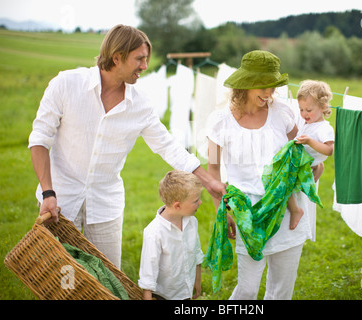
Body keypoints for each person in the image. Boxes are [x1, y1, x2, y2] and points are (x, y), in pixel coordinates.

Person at [28, 24, 226, 268]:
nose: (144, 66)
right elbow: (39, 140)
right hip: (59, 201)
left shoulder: (140, 104)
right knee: (59, 278)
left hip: (105, 206)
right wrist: (48, 192)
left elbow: (168, 146)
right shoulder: (66, 84)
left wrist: (210, 182)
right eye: (139, 59)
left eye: (146, 59)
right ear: (117, 57)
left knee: (109, 279)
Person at [206, 50, 323, 300]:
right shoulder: (220, 121)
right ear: (245, 84)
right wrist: (221, 209)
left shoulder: (282, 112)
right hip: (247, 214)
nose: (269, 94)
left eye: (273, 87)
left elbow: (298, 154)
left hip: (287, 210)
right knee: (247, 290)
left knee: (281, 290)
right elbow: (213, 171)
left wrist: (315, 167)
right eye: (263, 86)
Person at [138, 170, 204, 300]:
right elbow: (148, 270)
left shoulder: (191, 222)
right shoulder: (154, 232)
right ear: (178, 205)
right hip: (164, 296)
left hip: (185, 290)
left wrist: (197, 281)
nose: (200, 203)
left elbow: (196, 252)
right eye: (196, 200)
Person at [287, 80, 335, 230]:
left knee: (282, 182)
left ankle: (296, 210)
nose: (304, 114)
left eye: (308, 110)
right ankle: (318, 168)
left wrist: (309, 141)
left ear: (323, 107)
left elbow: (329, 150)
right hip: (304, 163)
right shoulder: (307, 123)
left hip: (304, 165)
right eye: (301, 109)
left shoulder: (323, 128)